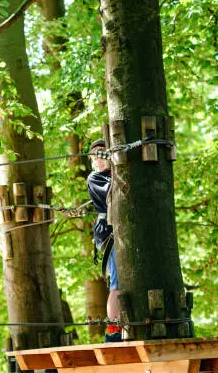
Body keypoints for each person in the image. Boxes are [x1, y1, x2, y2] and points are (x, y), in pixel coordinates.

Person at [87, 139, 121, 342]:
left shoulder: (111, 173)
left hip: (119, 230)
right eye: (94, 158)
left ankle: (121, 326)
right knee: (116, 282)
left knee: (123, 281)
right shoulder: (95, 178)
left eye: (102, 156)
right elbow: (113, 193)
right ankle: (113, 330)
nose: (98, 162)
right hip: (107, 232)